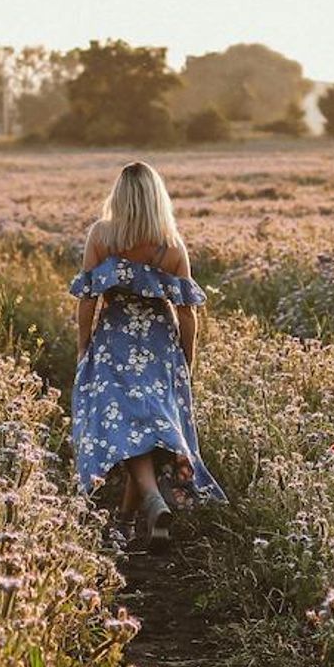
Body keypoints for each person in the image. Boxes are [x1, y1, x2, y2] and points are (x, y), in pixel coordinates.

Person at [69, 160, 226, 551]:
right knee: (150, 431)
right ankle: (136, 515)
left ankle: (138, 513)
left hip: (114, 343)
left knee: (126, 428)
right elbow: (188, 313)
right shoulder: (170, 246)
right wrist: (185, 360)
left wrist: (83, 347)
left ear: (120, 196)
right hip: (159, 345)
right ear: (157, 198)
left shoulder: (102, 236)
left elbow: (88, 301)